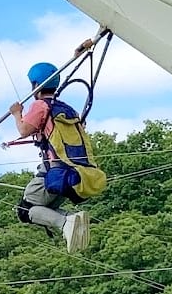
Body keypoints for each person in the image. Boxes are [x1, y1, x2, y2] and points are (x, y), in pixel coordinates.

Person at [10, 38, 106, 253]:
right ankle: (72, 222)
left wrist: (17, 114)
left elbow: (25, 130)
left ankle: (66, 223)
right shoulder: (67, 110)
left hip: (52, 172)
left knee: (25, 210)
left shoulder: (41, 105)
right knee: (45, 208)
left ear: (36, 86)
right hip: (71, 173)